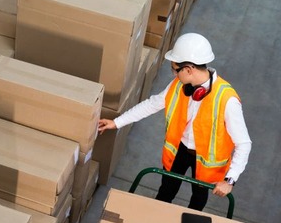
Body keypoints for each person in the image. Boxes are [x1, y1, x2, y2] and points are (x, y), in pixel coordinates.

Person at [98, 33, 251, 211]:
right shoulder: (178, 86)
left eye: (175, 69)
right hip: (179, 150)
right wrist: (116, 122)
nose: (174, 74)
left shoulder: (227, 100)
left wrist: (229, 180)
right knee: (166, 191)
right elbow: (152, 104)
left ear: (189, 69)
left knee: (197, 201)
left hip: (205, 163)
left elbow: (244, 144)